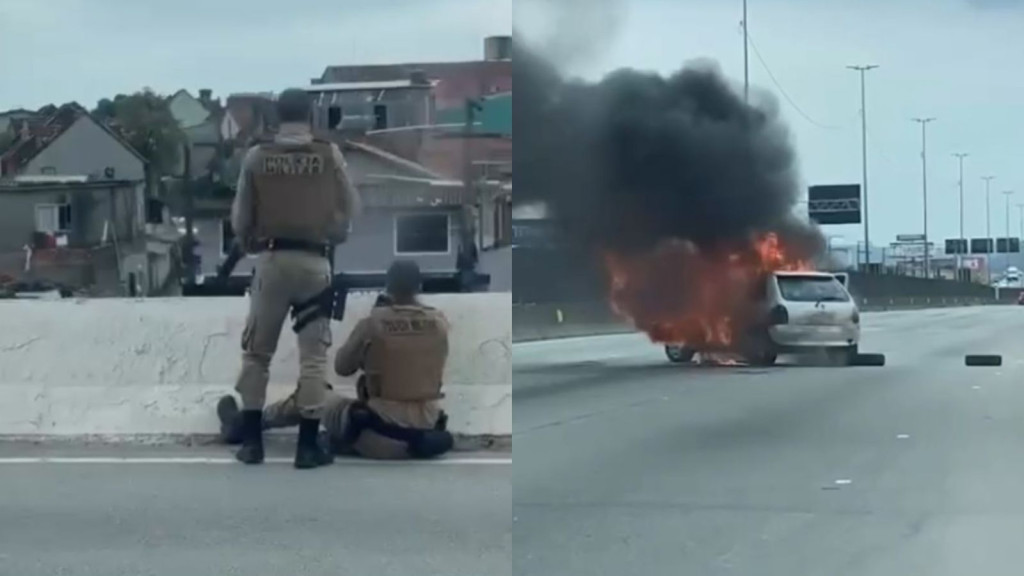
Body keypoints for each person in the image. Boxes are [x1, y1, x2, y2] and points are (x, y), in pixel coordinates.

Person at [229, 87, 361, 469]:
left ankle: (252, 443)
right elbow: (350, 207)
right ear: (311, 116)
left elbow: (240, 218)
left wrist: (249, 240)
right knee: (313, 358)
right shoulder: (328, 154)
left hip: (271, 260)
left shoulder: (257, 156)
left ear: (276, 116)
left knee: (257, 353)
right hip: (314, 264)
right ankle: (307, 447)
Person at [217, 260, 453, 460]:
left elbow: (343, 367)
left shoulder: (374, 323)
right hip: (426, 427)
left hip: (379, 433)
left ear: (388, 286)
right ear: (419, 286)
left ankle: (243, 424)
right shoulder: (440, 323)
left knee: (313, 392)